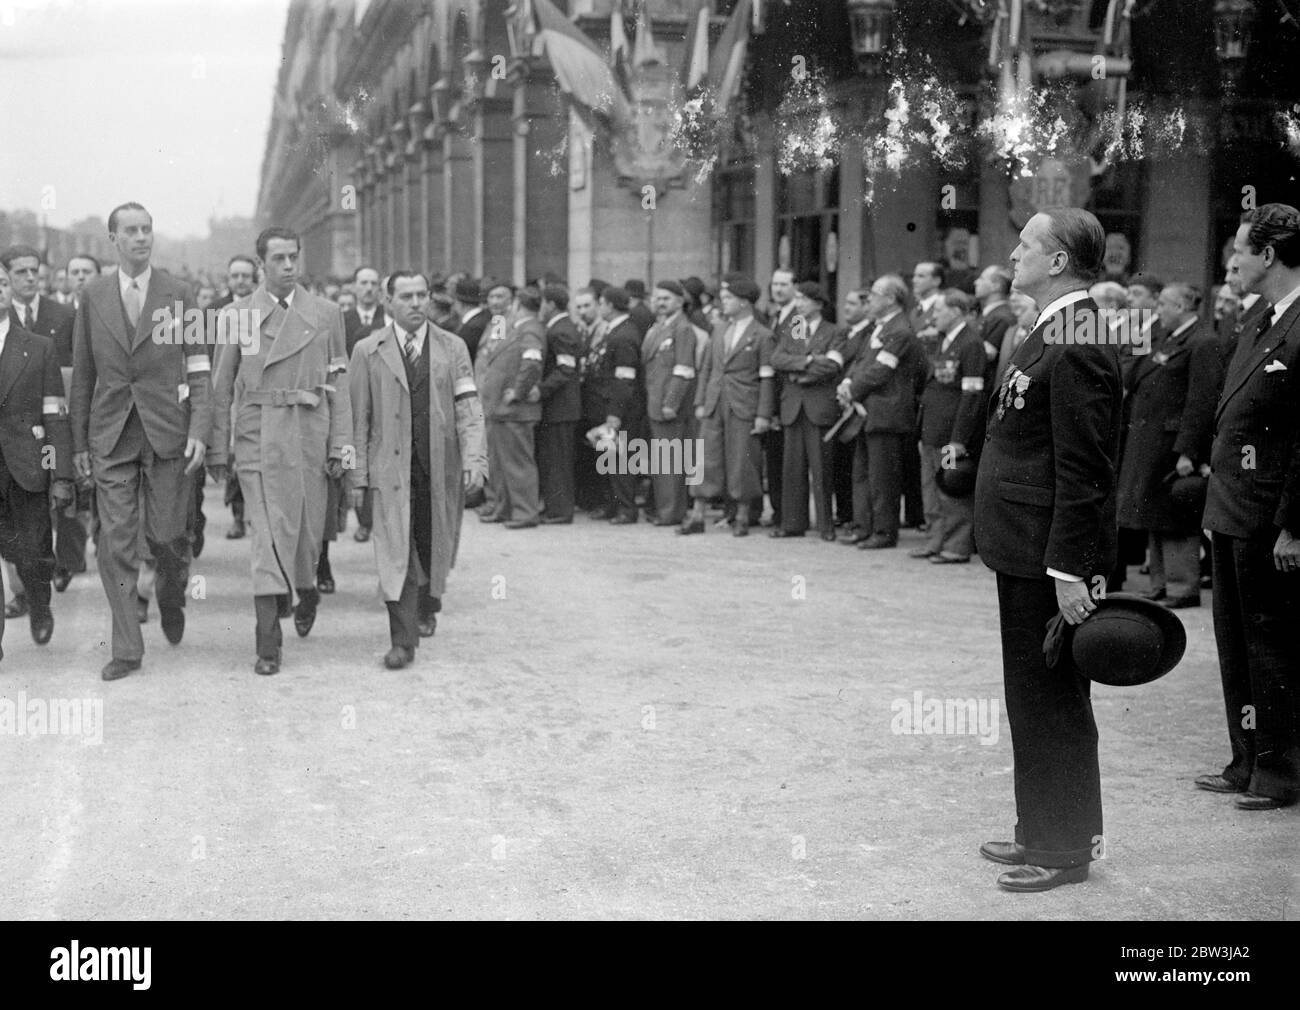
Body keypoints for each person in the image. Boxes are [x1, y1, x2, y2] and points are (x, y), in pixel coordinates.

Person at [973, 207, 1122, 892]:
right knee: (1031, 697)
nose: (1015, 253)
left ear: (1059, 261)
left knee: (1052, 700)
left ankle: (1062, 848)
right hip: (1022, 547)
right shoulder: (1054, 325)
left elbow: (1087, 466)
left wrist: (1071, 569)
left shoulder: (1081, 333)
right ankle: (1040, 827)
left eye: (1027, 244)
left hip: (1046, 557)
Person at [70, 203, 212, 682]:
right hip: (111, 435)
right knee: (115, 543)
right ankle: (127, 648)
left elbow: (199, 367)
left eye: (147, 229)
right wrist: (78, 445)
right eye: (130, 231)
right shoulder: (92, 295)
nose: (140, 238)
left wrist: (199, 429)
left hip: (166, 431)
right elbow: (83, 374)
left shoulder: (179, 293)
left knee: (169, 538)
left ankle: (171, 595)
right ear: (112, 239)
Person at [208, 226, 352, 676]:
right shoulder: (238, 316)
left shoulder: (327, 314)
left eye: (294, 257)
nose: (288, 266)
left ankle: (306, 588)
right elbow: (220, 386)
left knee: (307, 534)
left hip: (309, 434)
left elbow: (339, 384)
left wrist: (342, 444)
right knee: (266, 539)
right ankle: (267, 644)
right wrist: (218, 447)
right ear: (261, 265)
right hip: (258, 436)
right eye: (279, 259)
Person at [1198, 203, 1300, 810]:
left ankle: (1282, 772)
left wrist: (1294, 524)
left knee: (1273, 646)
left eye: (1240, 249)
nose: (1232, 260)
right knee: (1237, 645)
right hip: (1233, 508)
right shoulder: (1262, 317)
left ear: (1267, 255)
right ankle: (1247, 759)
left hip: (1271, 517)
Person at [348, 271, 487, 668]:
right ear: (388, 303)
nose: (415, 303)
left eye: (422, 295)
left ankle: (429, 603)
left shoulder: (453, 347)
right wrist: (358, 474)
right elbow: (358, 418)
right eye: (406, 296)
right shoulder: (367, 351)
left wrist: (475, 457)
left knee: (431, 544)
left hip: (438, 468)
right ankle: (402, 641)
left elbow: (468, 406)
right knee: (397, 554)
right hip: (389, 471)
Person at [1115, 283, 1222, 609]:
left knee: (1174, 514)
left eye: (1163, 304)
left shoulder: (1203, 342)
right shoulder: (1164, 337)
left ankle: (1182, 586)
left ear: (1183, 307)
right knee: (1153, 512)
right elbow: (1132, 373)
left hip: (1171, 443)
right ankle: (1161, 584)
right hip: (1149, 441)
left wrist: (1188, 450)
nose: (1157, 309)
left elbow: (1201, 403)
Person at [0, 261, 74, 655]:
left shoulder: (37, 347)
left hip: (27, 467)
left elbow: (54, 415)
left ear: (10, 288)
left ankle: (40, 605)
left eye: (0, 282)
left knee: (32, 553)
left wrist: (59, 474)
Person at [679, 275, 774, 537]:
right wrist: (700, 400)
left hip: (744, 405)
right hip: (714, 402)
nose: (724, 302)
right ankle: (697, 514)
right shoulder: (718, 330)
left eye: (729, 298)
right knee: (705, 458)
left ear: (744, 302)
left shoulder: (763, 335)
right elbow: (708, 367)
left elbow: (767, 377)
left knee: (742, 459)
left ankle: (742, 516)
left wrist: (763, 414)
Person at [837, 274, 921, 550]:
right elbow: (862, 362)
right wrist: (848, 382)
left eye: (873, 294)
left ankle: (884, 531)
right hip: (868, 412)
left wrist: (852, 389)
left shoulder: (900, 330)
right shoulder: (878, 327)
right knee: (863, 474)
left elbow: (881, 371)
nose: (868, 299)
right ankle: (864, 527)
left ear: (890, 299)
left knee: (882, 478)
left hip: (885, 414)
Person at [912, 288, 984, 564]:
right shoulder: (942, 341)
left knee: (951, 489)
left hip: (950, 433)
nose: (933, 317)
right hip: (932, 430)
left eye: (939, 311)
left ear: (955, 311)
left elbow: (971, 396)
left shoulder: (970, 344)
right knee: (931, 487)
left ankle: (956, 545)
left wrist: (959, 439)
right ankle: (935, 540)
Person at [769, 281, 844, 540]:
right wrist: (809, 361)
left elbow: (833, 366)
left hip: (818, 406)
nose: (798, 304)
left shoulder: (834, 332)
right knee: (793, 468)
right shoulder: (795, 329)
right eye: (797, 299)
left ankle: (825, 525)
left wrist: (799, 375)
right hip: (793, 406)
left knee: (821, 468)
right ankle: (793, 523)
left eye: (803, 299)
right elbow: (777, 359)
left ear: (819, 303)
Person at [475, 286, 544, 529]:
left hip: (513, 408)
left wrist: (519, 390)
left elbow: (532, 362)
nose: (496, 302)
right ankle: (503, 508)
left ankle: (525, 512)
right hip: (496, 406)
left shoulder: (528, 328)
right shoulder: (507, 326)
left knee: (517, 464)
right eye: (491, 296)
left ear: (515, 303)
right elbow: (489, 357)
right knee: (500, 464)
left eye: (502, 298)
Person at [581, 286, 643, 524]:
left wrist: (615, 413)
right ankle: (613, 504)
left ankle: (626, 508)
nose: (600, 307)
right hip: (608, 406)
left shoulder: (624, 335)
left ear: (610, 305)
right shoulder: (615, 331)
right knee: (609, 457)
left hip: (620, 409)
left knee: (621, 459)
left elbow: (624, 379)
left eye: (602, 303)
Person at [640, 280, 698, 527]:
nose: (660, 303)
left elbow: (684, 370)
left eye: (666, 299)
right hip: (654, 401)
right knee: (664, 461)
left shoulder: (682, 329)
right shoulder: (658, 327)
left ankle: (671, 512)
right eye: (657, 298)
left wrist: (671, 402)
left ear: (680, 301)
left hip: (668, 406)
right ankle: (666, 510)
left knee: (671, 461)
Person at [536, 284, 582, 524]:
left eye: (543, 303)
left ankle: (561, 511)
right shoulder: (559, 328)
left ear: (551, 305)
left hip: (560, 408)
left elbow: (565, 368)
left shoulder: (560, 331)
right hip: (559, 408)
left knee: (558, 461)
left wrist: (541, 390)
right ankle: (555, 507)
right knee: (553, 459)